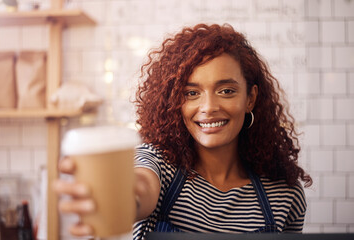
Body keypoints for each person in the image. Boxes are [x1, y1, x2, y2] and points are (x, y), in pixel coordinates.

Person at [53, 23, 312, 239]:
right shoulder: (160, 165)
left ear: (250, 98)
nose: (208, 107)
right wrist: (117, 198)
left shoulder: (284, 194)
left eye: (226, 91)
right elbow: (140, 187)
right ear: (176, 102)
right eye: (191, 93)